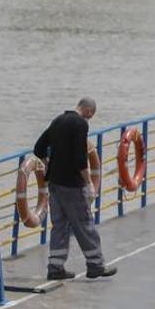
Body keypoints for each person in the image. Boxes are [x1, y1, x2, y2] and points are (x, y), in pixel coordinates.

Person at [33, 97, 116, 281]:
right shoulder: (80, 124)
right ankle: (95, 264)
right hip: (72, 185)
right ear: (87, 111)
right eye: (90, 116)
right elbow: (80, 159)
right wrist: (88, 185)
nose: (89, 119)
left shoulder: (57, 121)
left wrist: (49, 165)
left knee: (59, 226)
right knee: (84, 224)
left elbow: (38, 148)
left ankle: (55, 267)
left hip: (54, 184)